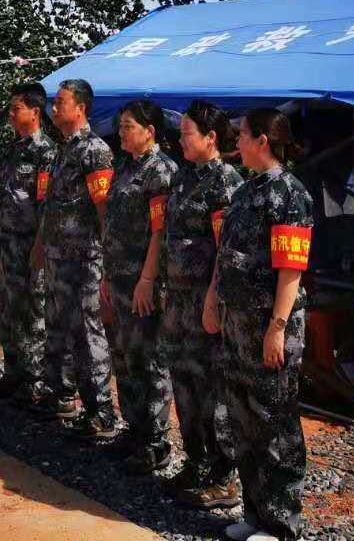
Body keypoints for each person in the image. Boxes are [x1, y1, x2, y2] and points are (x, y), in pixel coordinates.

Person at [203, 109, 313, 541]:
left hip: (269, 326)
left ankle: (282, 524)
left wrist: (277, 328)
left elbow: (290, 270)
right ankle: (256, 514)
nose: (237, 141)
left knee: (275, 424)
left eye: (243, 135)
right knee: (243, 420)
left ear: (262, 141)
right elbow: (225, 252)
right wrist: (214, 298)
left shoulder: (290, 194)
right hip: (238, 324)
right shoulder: (246, 191)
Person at [163, 99, 243, 508]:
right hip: (178, 301)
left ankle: (224, 477)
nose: (180, 141)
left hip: (205, 302)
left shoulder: (225, 183)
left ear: (211, 138)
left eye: (187, 134)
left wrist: (213, 301)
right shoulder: (183, 177)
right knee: (184, 383)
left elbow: (224, 250)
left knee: (213, 389)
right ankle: (196, 463)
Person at [37, 78, 118, 440]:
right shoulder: (62, 150)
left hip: (85, 262)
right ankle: (63, 397)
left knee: (88, 335)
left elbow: (103, 212)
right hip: (58, 259)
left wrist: (106, 265)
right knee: (59, 330)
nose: (54, 108)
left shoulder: (95, 151)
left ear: (81, 108)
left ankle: (101, 411)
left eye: (61, 102)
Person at [102, 99, 177, 474]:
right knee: (124, 357)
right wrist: (105, 276)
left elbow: (160, 233)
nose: (121, 131)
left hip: (143, 283)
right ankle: (134, 429)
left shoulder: (161, 171)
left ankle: (156, 442)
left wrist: (147, 281)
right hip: (117, 279)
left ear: (150, 131)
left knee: (149, 360)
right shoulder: (124, 167)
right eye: (120, 125)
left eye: (128, 126)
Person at [0, 81, 59, 405]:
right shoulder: (14, 148)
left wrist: (39, 246)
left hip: (30, 245)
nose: (10, 113)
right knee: (9, 308)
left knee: (33, 312)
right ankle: (13, 374)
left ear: (35, 112)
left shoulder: (46, 152)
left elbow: (45, 204)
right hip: (8, 242)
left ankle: (35, 383)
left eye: (16, 108)